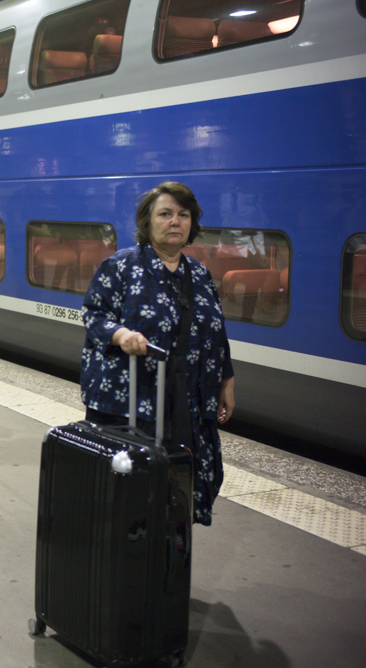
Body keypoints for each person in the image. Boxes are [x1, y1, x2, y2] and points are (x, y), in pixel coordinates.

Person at [81, 182, 235, 526]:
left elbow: (216, 331)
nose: (175, 221)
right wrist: (120, 335)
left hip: (188, 399)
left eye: (183, 215)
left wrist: (226, 379)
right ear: (147, 222)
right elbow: (94, 314)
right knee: (132, 491)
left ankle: (167, 555)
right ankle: (129, 556)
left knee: (179, 484)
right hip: (134, 400)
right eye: (165, 214)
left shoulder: (198, 273)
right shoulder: (121, 266)